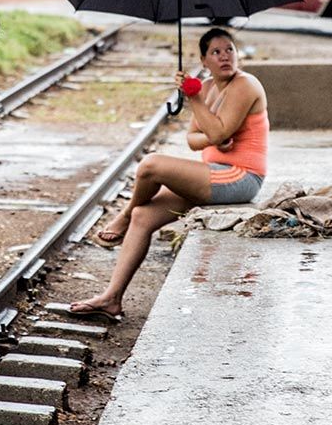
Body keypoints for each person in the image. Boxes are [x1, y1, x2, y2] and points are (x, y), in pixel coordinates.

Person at [69, 28, 269, 320]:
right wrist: (213, 133)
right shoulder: (210, 87)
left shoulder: (245, 84)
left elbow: (216, 131)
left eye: (230, 50)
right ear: (203, 59)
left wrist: (195, 101)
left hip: (240, 178)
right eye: (216, 52)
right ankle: (112, 298)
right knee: (144, 217)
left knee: (151, 165)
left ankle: (124, 213)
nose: (225, 56)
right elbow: (194, 139)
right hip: (213, 176)